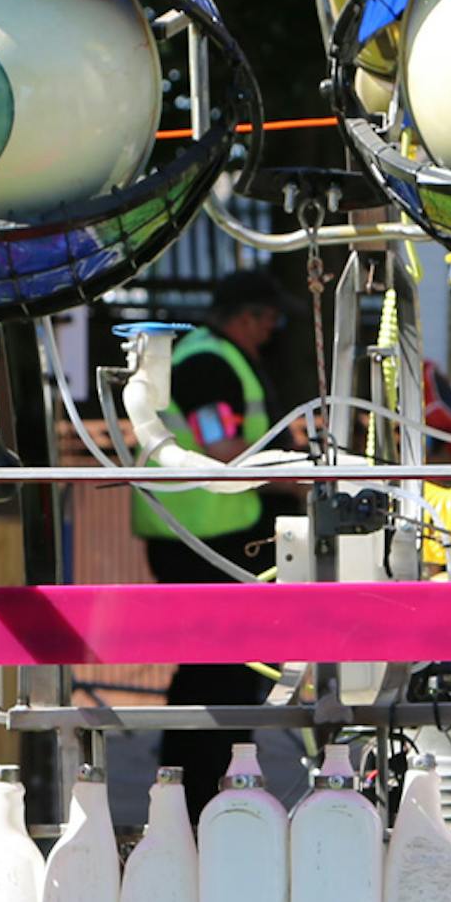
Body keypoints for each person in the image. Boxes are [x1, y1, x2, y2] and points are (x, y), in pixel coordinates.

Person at [132, 269, 287, 808]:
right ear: (248, 316)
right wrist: (300, 471)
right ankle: (202, 792)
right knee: (218, 669)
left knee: (216, 665)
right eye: (269, 320)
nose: (271, 332)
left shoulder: (211, 356)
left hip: (205, 535)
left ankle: (200, 789)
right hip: (201, 540)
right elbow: (219, 446)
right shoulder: (207, 360)